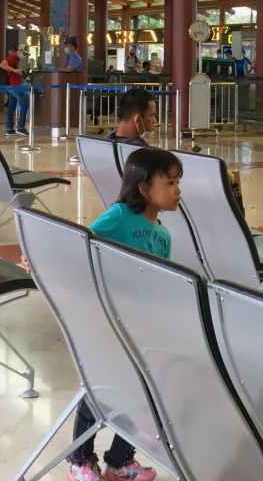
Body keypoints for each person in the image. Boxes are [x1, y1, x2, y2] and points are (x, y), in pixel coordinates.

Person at [68, 148, 183, 481]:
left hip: (142, 327)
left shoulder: (162, 236)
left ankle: (120, 460)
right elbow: (80, 243)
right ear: (144, 189)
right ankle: (80, 460)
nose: (178, 190)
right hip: (107, 321)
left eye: (178, 182)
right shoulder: (118, 216)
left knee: (139, 391)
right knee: (99, 388)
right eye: (171, 182)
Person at [3, 48, 28, 136]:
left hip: (13, 85)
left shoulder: (16, 59)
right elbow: (2, 65)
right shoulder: (12, 57)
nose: (24, 55)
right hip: (14, 86)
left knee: (12, 106)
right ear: (19, 51)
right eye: (23, 53)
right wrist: (15, 70)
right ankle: (21, 127)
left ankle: (9, 128)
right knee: (24, 104)